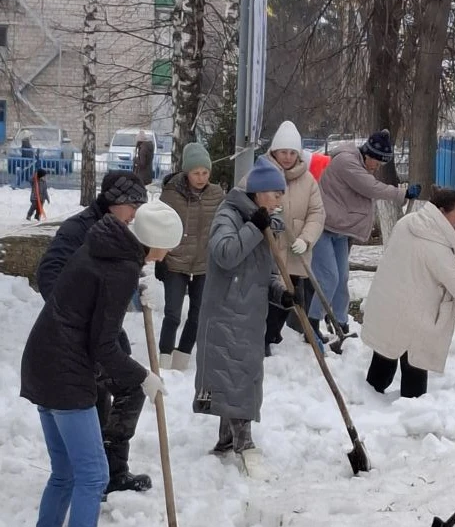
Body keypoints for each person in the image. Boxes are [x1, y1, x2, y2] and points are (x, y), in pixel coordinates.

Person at [20, 201, 183, 527]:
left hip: (40, 363)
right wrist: (143, 377)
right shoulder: (120, 269)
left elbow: (90, 304)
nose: (170, 252)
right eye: (169, 245)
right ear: (155, 242)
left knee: (65, 470)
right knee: (94, 474)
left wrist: (135, 298)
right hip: (66, 374)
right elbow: (103, 344)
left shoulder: (102, 246)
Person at [36, 171, 154, 495]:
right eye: (133, 205)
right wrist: (77, 319)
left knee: (132, 385)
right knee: (97, 394)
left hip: (105, 332)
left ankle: (112, 470)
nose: (135, 214)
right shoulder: (79, 229)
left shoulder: (117, 229)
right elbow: (49, 275)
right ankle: (97, 477)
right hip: (76, 338)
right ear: (115, 202)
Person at [193, 155, 292, 459]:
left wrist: (283, 294)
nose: (279, 201)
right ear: (259, 191)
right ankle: (242, 441)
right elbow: (225, 253)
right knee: (233, 373)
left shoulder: (263, 221)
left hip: (248, 313)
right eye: (276, 194)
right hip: (226, 312)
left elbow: (266, 272)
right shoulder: (229, 215)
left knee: (240, 374)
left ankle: (226, 439)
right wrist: (253, 226)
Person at [361, 188, 455, 397]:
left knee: (384, 354)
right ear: (441, 212)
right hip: (414, 314)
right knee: (415, 360)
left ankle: (367, 401)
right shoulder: (437, 248)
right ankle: (413, 411)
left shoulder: (407, 223)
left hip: (388, 303)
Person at [308, 129, 422, 341]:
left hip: (339, 229)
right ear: (368, 153)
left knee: (342, 279)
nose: (376, 168)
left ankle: (340, 322)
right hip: (322, 227)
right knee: (329, 278)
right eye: (376, 162)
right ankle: (312, 323)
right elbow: (370, 188)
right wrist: (402, 194)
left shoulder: (358, 163)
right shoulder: (347, 162)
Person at [156, 142, 224, 371]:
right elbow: (159, 225)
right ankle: (164, 358)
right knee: (173, 313)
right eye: (196, 173)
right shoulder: (171, 194)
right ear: (187, 172)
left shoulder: (216, 194)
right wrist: (160, 258)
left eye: (205, 172)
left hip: (204, 264)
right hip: (176, 262)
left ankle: (182, 357)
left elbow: (224, 224)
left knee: (198, 314)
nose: (201, 177)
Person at [263, 121, 325, 350]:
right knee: (267, 295)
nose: (287, 157)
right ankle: (263, 339)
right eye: (283, 152)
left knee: (288, 297)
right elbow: (246, 202)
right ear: (274, 151)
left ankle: (271, 336)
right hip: (269, 250)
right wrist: (266, 211)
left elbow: (317, 213)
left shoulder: (308, 181)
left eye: (292, 152)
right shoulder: (262, 173)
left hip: (295, 251)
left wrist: (306, 239)